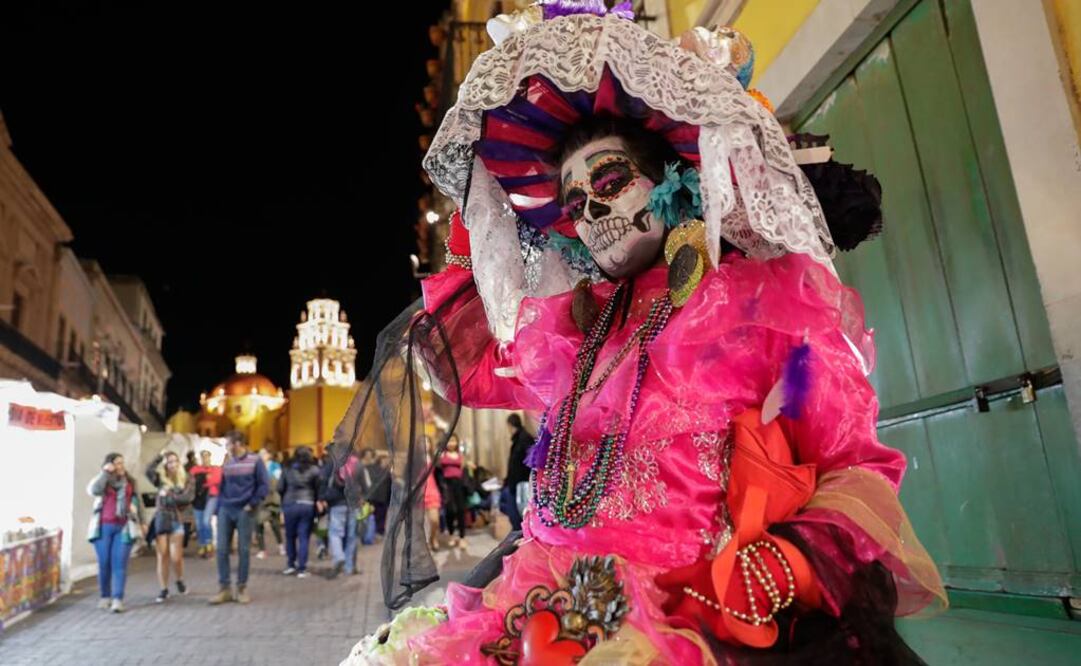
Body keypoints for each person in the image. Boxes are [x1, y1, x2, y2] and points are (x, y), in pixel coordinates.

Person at [340, 8, 945, 664]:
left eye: (608, 182)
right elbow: (464, 366)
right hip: (544, 602)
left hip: (695, 616)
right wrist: (472, 227)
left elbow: (852, 465)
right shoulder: (578, 323)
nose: (592, 214)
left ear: (671, 180)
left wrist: (777, 566)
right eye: (573, 205)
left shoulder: (761, 301)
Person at [210, 431, 269, 605]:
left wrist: (251, 504)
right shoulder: (227, 461)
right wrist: (219, 507)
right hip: (226, 509)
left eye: (228, 444)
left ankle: (241, 587)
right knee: (221, 549)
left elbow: (263, 485)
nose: (227, 447)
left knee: (243, 550)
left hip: (245, 510)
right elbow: (222, 486)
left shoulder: (255, 461)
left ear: (238, 444)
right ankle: (225, 589)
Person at [87, 453, 145, 613]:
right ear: (109, 465)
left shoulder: (130, 481)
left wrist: (143, 522)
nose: (120, 466)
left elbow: (138, 502)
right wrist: (105, 473)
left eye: (122, 463)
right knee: (104, 562)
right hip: (103, 527)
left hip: (124, 526)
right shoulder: (102, 480)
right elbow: (94, 490)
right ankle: (105, 596)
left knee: (119, 564)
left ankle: (118, 598)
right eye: (117, 463)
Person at [146, 450, 194, 603]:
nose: (172, 464)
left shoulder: (187, 478)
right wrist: (159, 456)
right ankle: (163, 589)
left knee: (176, 557)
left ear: (179, 462)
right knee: (162, 555)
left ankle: (179, 579)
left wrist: (168, 494)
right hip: (161, 517)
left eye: (175, 461)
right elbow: (148, 471)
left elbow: (187, 497)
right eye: (169, 462)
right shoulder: (160, 478)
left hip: (177, 518)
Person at [319, 441, 359, 579]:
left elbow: (322, 481)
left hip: (337, 503)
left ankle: (338, 557)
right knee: (351, 535)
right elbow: (365, 482)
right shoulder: (356, 462)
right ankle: (349, 567)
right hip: (353, 503)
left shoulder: (331, 464)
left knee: (335, 533)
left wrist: (321, 498)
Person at [279, 446, 321, 578]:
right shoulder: (314, 470)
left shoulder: (287, 469)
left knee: (290, 536)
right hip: (307, 504)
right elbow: (318, 488)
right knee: (304, 537)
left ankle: (291, 565)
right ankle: (302, 568)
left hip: (289, 504)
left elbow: (280, 487)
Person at [436, 434, 468, 548]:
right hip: (447, 485)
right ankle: (451, 534)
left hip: (458, 485)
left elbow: (464, 469)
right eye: (449, 441)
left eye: (453, 441)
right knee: (449, 511)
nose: (451, 443)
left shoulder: (460, 455)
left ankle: (462, 537)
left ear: (457, 442)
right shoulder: (442, 454)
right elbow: (437, 469)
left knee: (460, 510)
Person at [503, 414, 533, 531]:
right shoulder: (519, 439)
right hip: (515, 484)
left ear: (510, 425)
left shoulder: (524, 439)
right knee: (513, 513)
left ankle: (519, 536)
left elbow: (527, 463)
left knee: (517, 516)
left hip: (521, 484)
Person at [254, 448, 283, 560]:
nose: (261, 456)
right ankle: (262, 550)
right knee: (258, 523)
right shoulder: (257, 467)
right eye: (260, 454)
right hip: (260, 499)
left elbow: (277, 480)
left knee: (274, 523)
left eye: (263, 454)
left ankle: (280, 545)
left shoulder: (275, 466)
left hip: (272, 499)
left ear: (268, 455)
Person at [190, 450, 218, 558]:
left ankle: (208, 543)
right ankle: (202, 544)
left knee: (206, 521)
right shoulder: (195, 469)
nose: (205, 459)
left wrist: (206, 482)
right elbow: (189, 481)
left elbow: (217, 481)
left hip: (211, 497)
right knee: (199, 523)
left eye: (207, 456)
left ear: (210, 457)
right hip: (197, 498)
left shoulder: (215, 469)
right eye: (203, 457)